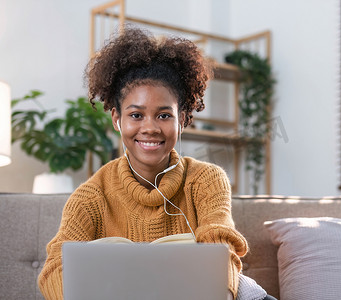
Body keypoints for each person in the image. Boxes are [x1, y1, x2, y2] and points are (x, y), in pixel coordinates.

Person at [38, 26, 274, 300]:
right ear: (117, 119)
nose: (149, 128)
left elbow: (219, 242)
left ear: (183, 120)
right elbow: (56, 267)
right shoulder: (91, 197)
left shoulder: (206, 179)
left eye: (164, 115)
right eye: (136, 115)